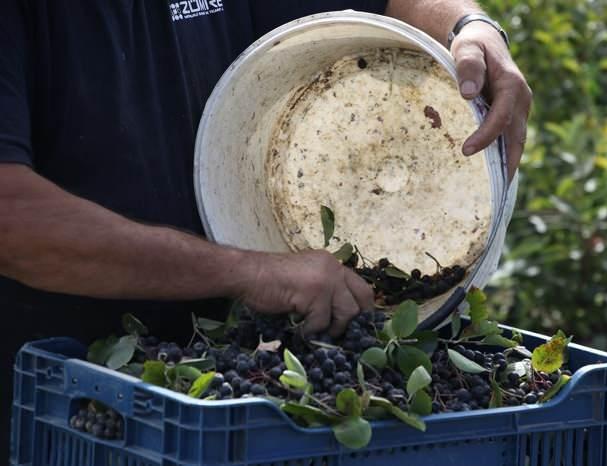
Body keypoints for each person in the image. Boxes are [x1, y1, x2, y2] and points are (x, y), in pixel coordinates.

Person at [0, 0, 531, 461]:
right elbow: (13, 221)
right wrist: (250, 272)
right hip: (59, 402)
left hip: (223, 388)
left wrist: (470, 27)